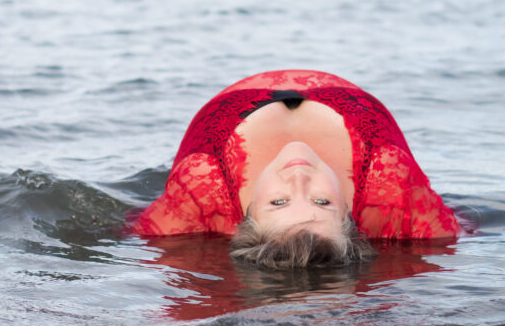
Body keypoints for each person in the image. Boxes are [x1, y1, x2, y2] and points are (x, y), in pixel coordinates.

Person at [131, 69, 459, 267]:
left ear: (244, 220)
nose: (298, 178)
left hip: (233, 107)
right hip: (347, 102)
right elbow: (454, 239)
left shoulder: (203, 186)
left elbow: (140, 241)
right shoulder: (388, 183)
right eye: (321, 202)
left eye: (279, 202)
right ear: (349, 214)